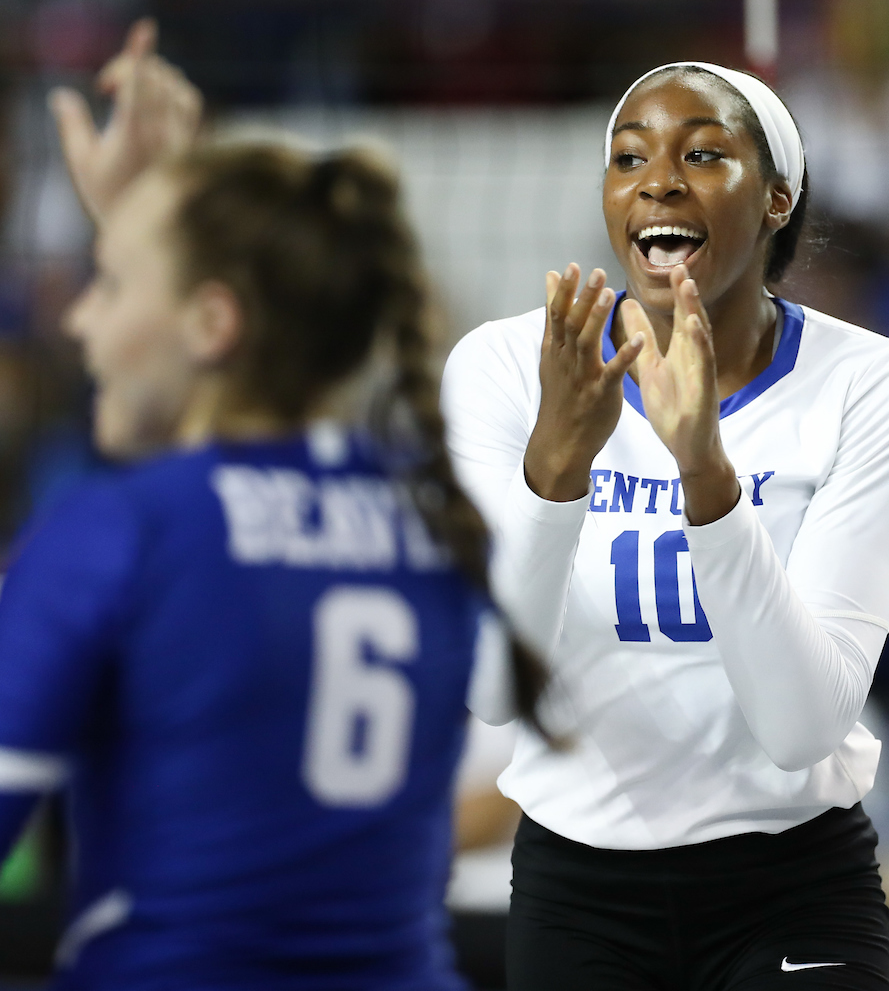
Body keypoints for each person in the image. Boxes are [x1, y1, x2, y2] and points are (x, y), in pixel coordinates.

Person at [440, 61, 889, 991]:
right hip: (578, 888)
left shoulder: (878, 384)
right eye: (629, 157)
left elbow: (800, 727)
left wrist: (706, 474)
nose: (660, 180)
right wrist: (556, 472)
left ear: (777, 201)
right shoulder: (508, 369)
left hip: (792, 880)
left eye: (704, 153)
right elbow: (492, 692)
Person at [0, 120, 541, 987]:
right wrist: (154, 232)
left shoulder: (121, 531)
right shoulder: (431, 525)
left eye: (107, 285)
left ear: (212, 321)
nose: (77, 318)